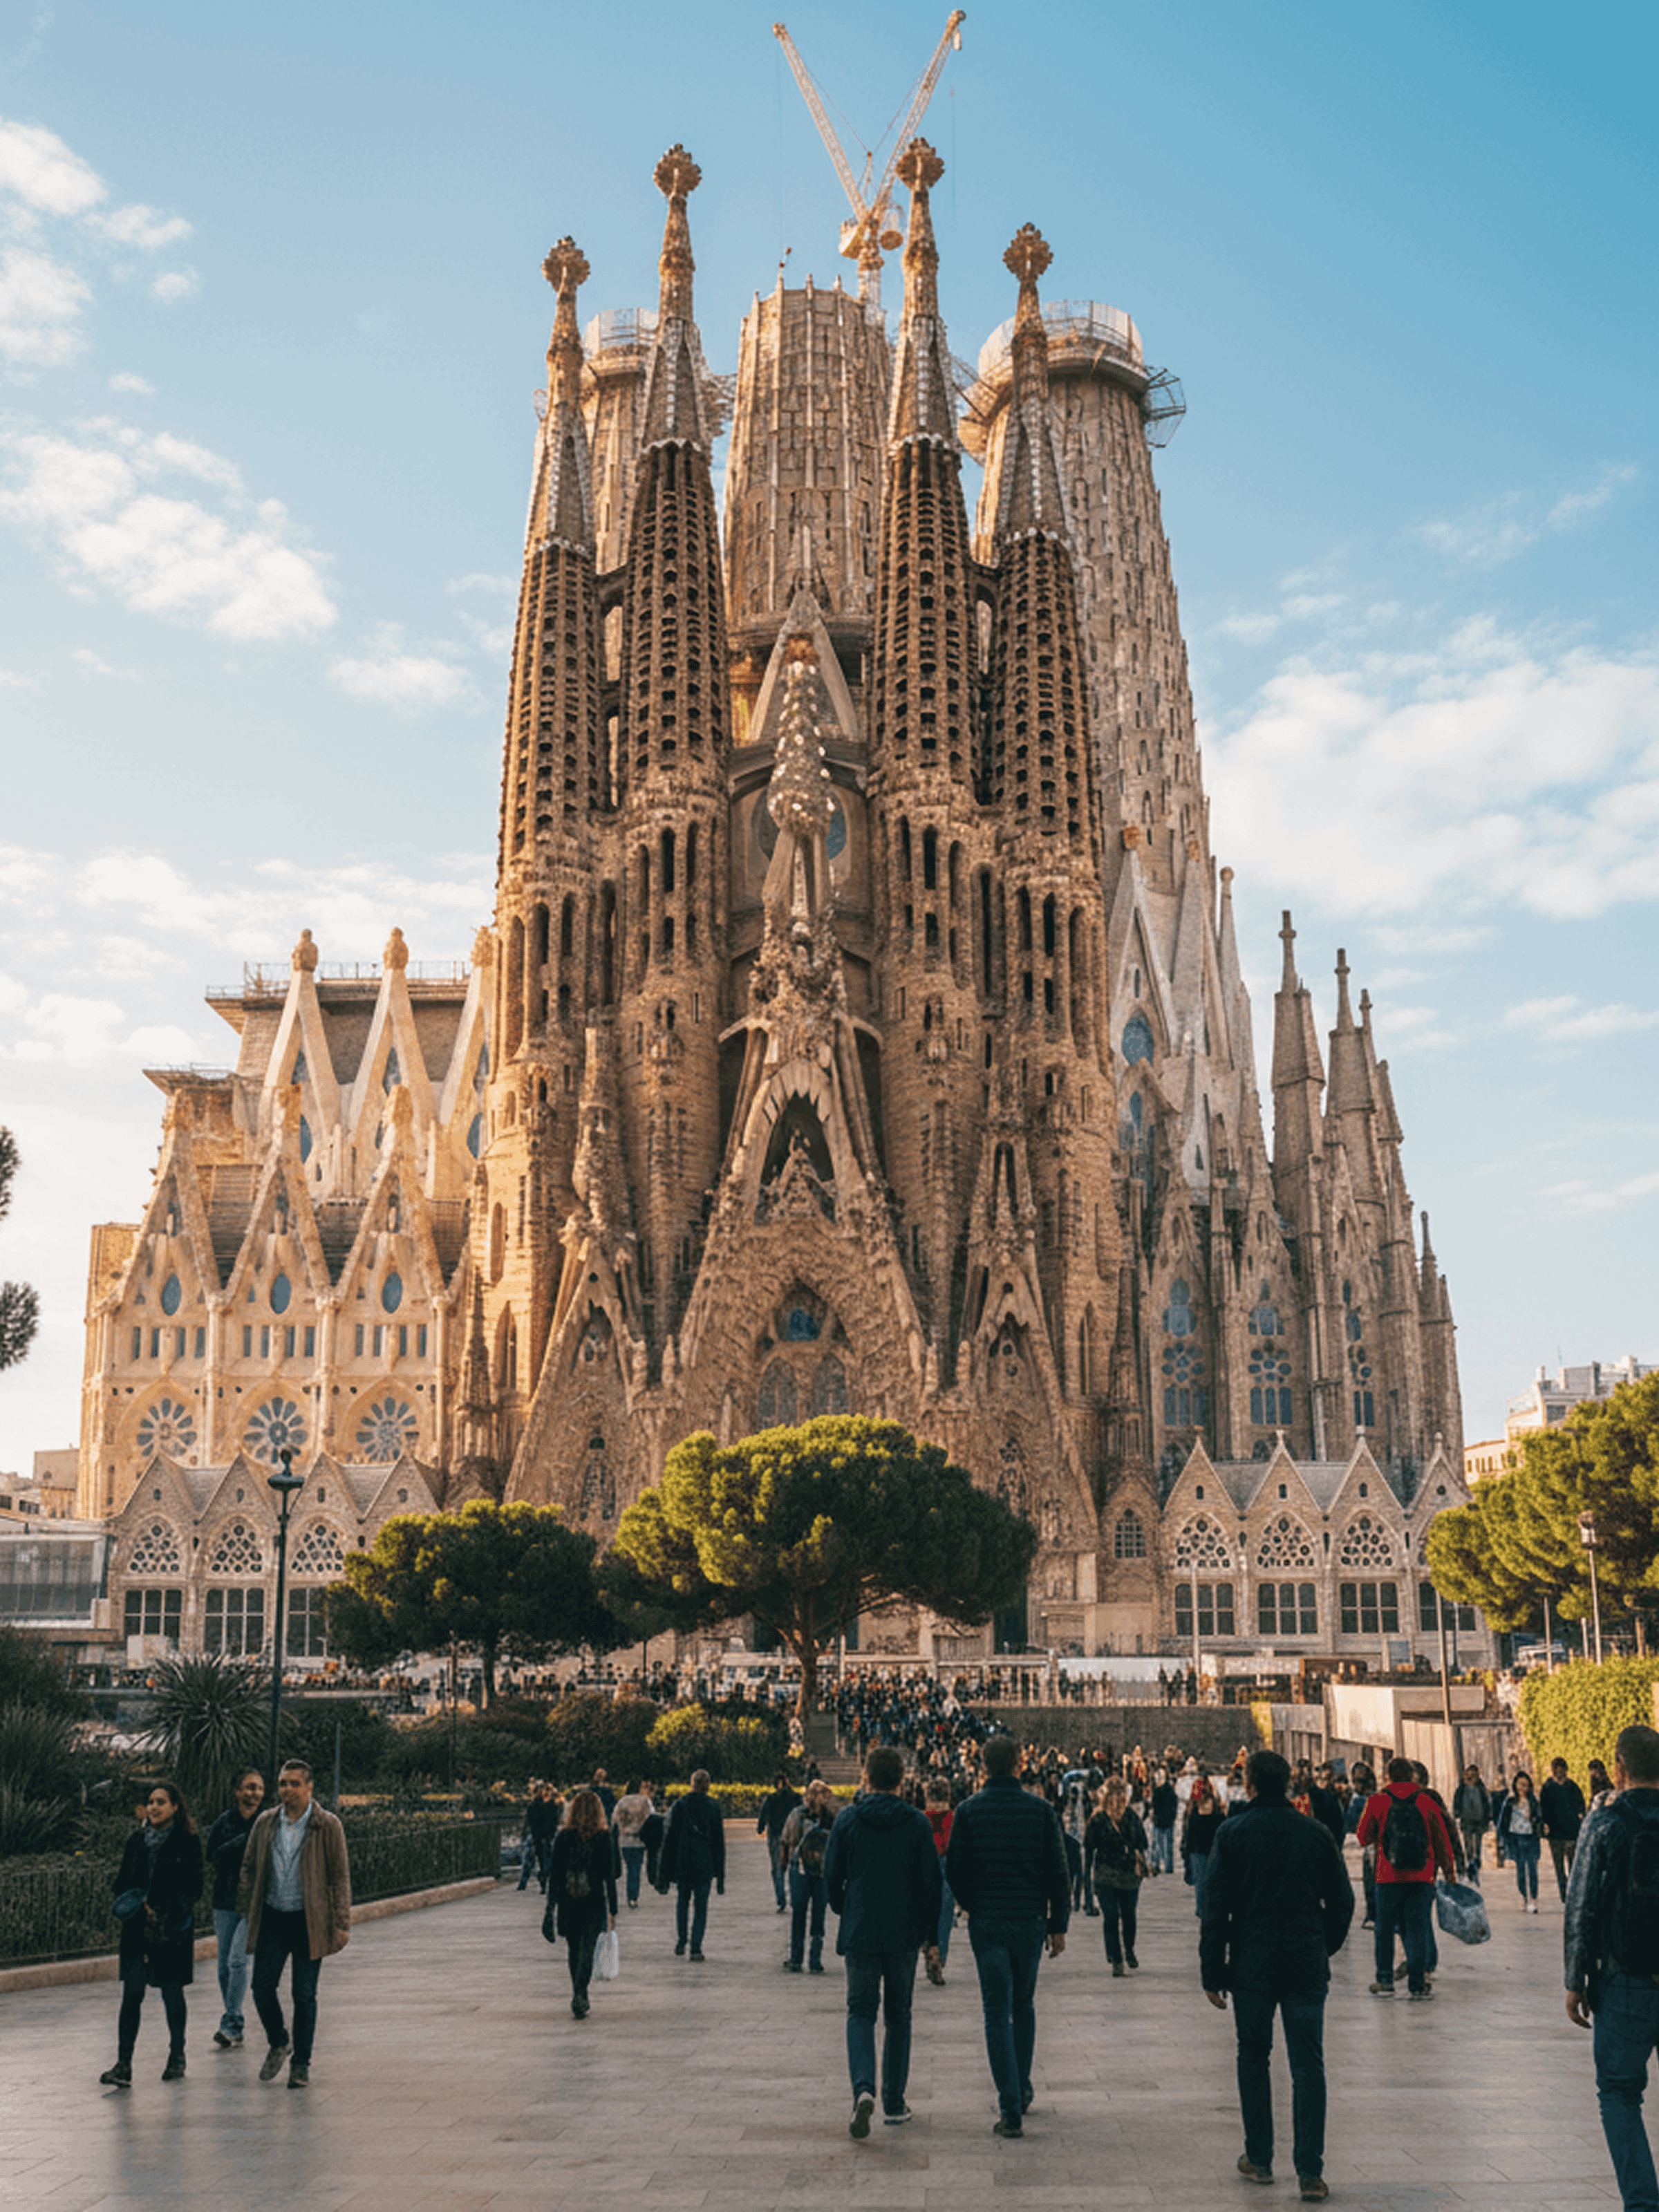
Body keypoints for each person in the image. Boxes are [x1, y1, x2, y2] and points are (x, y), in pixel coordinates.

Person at [1201, 1748, 1353, 2204]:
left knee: (1253, 2057)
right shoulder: (1316, 1833)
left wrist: (1213, 1970)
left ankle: (1260, 2158)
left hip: (1252, 1964)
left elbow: (1213, 1909)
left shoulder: (1232, 1833)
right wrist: (1322, 1945)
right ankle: (1310, 2171)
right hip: (1305, 1959)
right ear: (1288, 1783)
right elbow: (1343, 1901)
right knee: (1308, 2063)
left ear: (1248, 1784)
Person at [944, 1734, 1069, 2139]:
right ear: (1019, 1764)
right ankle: (1024, 2086)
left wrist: (972, 1903)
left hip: (989, 1921)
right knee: (1024, 2003)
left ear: (983, 1765)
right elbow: (1058, 1872)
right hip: (1029, 1919)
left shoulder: (968, 1811)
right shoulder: (1041, 1810)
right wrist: (1058, 1924)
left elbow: (956, 1871)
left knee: (996, 2011)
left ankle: (1010, 2103)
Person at [825, 1745, 941, 2135]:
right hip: (903, 1932)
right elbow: (931, 1886)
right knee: (898, 2017)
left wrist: (844, 1907)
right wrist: (930, 1938)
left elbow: (831, 1876)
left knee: (860, 2012)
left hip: (860, 1930)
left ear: (866, 1777)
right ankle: (894, 2100)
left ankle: (863, 2088)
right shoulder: (917, 1824)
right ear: (902, 1780)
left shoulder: (848, 1820)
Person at [1566, 1724, 1659, 2211]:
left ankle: (1643, 2203)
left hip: (1624, 1978)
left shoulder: (1604, 1822)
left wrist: (1575, 1980)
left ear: (1619, 1768)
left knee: (1620, 2094)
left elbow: (1580, 1903)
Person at [238, 1758, 353, 2088]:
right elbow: (248, 1867)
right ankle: (279, 2040)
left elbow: (339, 1876)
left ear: (309, 1787)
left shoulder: (327, 1825)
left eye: (294, 1784)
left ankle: (301, 2064)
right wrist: (247, 1909)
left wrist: (341, 1923)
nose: (287, 1790)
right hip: (273, 1917)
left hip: (308, 1920)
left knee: (304, 1995)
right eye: (282, 1784)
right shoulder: (265, 1823)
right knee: (262, 1987)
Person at [100, 1781, 205, 2088]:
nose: (155, 1807)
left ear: (175, 1807)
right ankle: (123, 2064)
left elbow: (194, 1887)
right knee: (132, 1994)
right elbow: (120, 1882)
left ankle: (177, 2056)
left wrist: (166, 1911)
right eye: (151, 1801)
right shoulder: (136, 1841)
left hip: (171, 1930)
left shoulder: (187, 1842)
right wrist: (135, 1901)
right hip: (136, 1930)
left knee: (172, 1993)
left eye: (161, 1801)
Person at [1356, 1756, 1454, 1997]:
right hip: (1422, 1875)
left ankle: (1385, 1980)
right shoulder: (1426, 1801)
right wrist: (1449, 1872)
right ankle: (1418, 1983)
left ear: (1388, 1776)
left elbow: (1362, 1837)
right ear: (1412, 1776)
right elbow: (1441, 1839)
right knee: (1417, 1927)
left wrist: (1383, 1837)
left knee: (1385, 1927)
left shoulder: (1377, 1800)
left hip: (1387, 1875)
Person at [204, 1768, 264, 2050]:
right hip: (225, 1900)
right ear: (238, 1792)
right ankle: (233, 2025)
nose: (254, 1793)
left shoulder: (268, 1824)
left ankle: (232, 2022)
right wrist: (242, 1843)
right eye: (249, 1788)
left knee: (239, 1961)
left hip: (253, 1902)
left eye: (259, 1788)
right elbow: (212, 1856)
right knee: (224, 1968)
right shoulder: (224, 1823)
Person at [546, 1788, 619, 2019]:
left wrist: (550, 1907)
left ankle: (578, 1991)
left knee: (574, 1948)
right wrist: (614, 1908)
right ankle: (581, 1993)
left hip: (569, 1900)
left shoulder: (563, 1837)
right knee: (588, 1947)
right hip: (594, 1899)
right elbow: (610, 1875)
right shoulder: (603, 1838)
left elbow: (555, 1875)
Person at [1084, 1778, 1147, 1977]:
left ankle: (1128, 1949)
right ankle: (1116, 1957)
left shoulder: (1131, 1817)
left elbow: (1142, 1843)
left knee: (1129, 1916)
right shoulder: (1098, 1819)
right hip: (1105, 1874)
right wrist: (1088, 1881)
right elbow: (1089, 1849)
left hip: (1128, 1875)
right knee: (1111, 1916)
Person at [659, 1768, 724, 1960]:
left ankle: (681, 1940)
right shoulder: (713, 1807)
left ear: (692, 1784)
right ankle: (696, 1947)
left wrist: (665, 1869)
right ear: (708, 1785)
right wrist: (720, 1875)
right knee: (701, 1906)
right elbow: (718, 1842)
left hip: (684, 1861)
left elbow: (671, 1838)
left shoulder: (681, 1805)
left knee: (682, 1902)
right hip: (705, 1863)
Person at [780, 1778, 838, 1974]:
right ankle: (814, 1959)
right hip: (820, 1871)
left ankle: (798, 1958)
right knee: (817, 1915)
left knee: (800, 1914)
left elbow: (786, 1841)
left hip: (801, 1870)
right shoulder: (831, 1818)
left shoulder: (796, 1815)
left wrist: (784, 1865)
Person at [922, 1778, 955, 1983]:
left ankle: (926, 1944)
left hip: (924, 1864)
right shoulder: (953, 1818)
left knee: (923, 1909)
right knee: (945, 1912)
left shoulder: (921, 1818)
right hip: (946, 1864)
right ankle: (939, 1954)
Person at [1542, 1756, 1588, 1901]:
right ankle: (1565, 1894)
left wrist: (1580, 1816)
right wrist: (1545, 1825)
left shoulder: (1572, 1787)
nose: (1560, 1773)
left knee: (1573, 1867)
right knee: (1559, 1868)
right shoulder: (1548, 1788)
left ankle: (1572, 1893)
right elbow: (1543, 1809)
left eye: (1562, 1770)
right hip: (1556, 1834)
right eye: (1557, 1770)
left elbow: (1581, 1805)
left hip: (1572, 1833)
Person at [756, 1772, 802, 1914]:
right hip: (793, 1835)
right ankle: (795, 1898)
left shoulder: (771, 1799)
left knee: (777, 1868)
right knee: (794, 1867)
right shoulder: (796, 1798)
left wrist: (761, 1827)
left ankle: (781, 1898)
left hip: (776, 1835)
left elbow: (763, 1818)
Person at [1182, 1774, 1226, 1921]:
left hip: (1201, 1851)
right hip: (1206, 1851)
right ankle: (1205, 1909)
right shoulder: (1216, 1810)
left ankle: (1202, 1909)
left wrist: (1186, 1852)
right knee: (1207, 1883)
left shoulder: (1193, 1810)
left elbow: (1188, 1833)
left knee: (1203, 1883)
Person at [1498, 1771, 1544, 1911]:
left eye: (1526, 1785)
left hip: (1531, 1838)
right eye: (1521, 1784)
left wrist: (1538, 1824)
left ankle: (1534, 1899)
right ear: (1516, 1785)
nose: (1523, 1788)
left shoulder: (1533, 1802)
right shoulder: (1510, 1802)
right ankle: (1525, 1898)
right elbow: (1503, 1822)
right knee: (1521, 1872)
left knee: (1533, 1871)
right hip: (1516, 1839)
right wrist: (1503, 1841)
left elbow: (1539, 1818)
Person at [612, 1779, 653, 1909]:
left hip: (625, 1840)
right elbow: (652, 1817)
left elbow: (614, 1819)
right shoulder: (645, 1801)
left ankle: (630, 1894)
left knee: (630, 1867)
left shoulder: (622, 1802)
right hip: (640, 1840)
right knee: (636, 1868)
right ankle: (633, 1897)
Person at [520, 1781, 561, 1894]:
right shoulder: (544, 1805)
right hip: (542, 1836)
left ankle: (539, 1882)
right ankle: (541, 1881)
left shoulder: (539, 1805)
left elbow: (532, 1821)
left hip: (541, 1836)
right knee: (542, 1860)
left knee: (541, 1861)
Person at [1454, 1766, 1492, 1884]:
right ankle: (1471, 1866)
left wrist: (1489, 1817)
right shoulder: (1461, 1788)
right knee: (1468, 1846)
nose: (1470, 1777)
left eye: (1472, 1775)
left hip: (1479, 1820)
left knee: (1478, 1845)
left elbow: (1487, 1802)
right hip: (1466, 1820)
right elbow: (1457, 1801)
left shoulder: (1481, 1788)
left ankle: (1476, 1864)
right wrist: (1457, 1814)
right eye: (1467, 1774)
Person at [1150, 1768, 1178, 1875]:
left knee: (1157, 1843)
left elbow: (1154, 1806)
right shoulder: (1171, 1791)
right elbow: (1175, 1804)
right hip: (1169, 1820)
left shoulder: (1157, 1791)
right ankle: (1169, 1866)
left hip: (1159, 1821)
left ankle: (1156, 1864)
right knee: (1168, 1845)